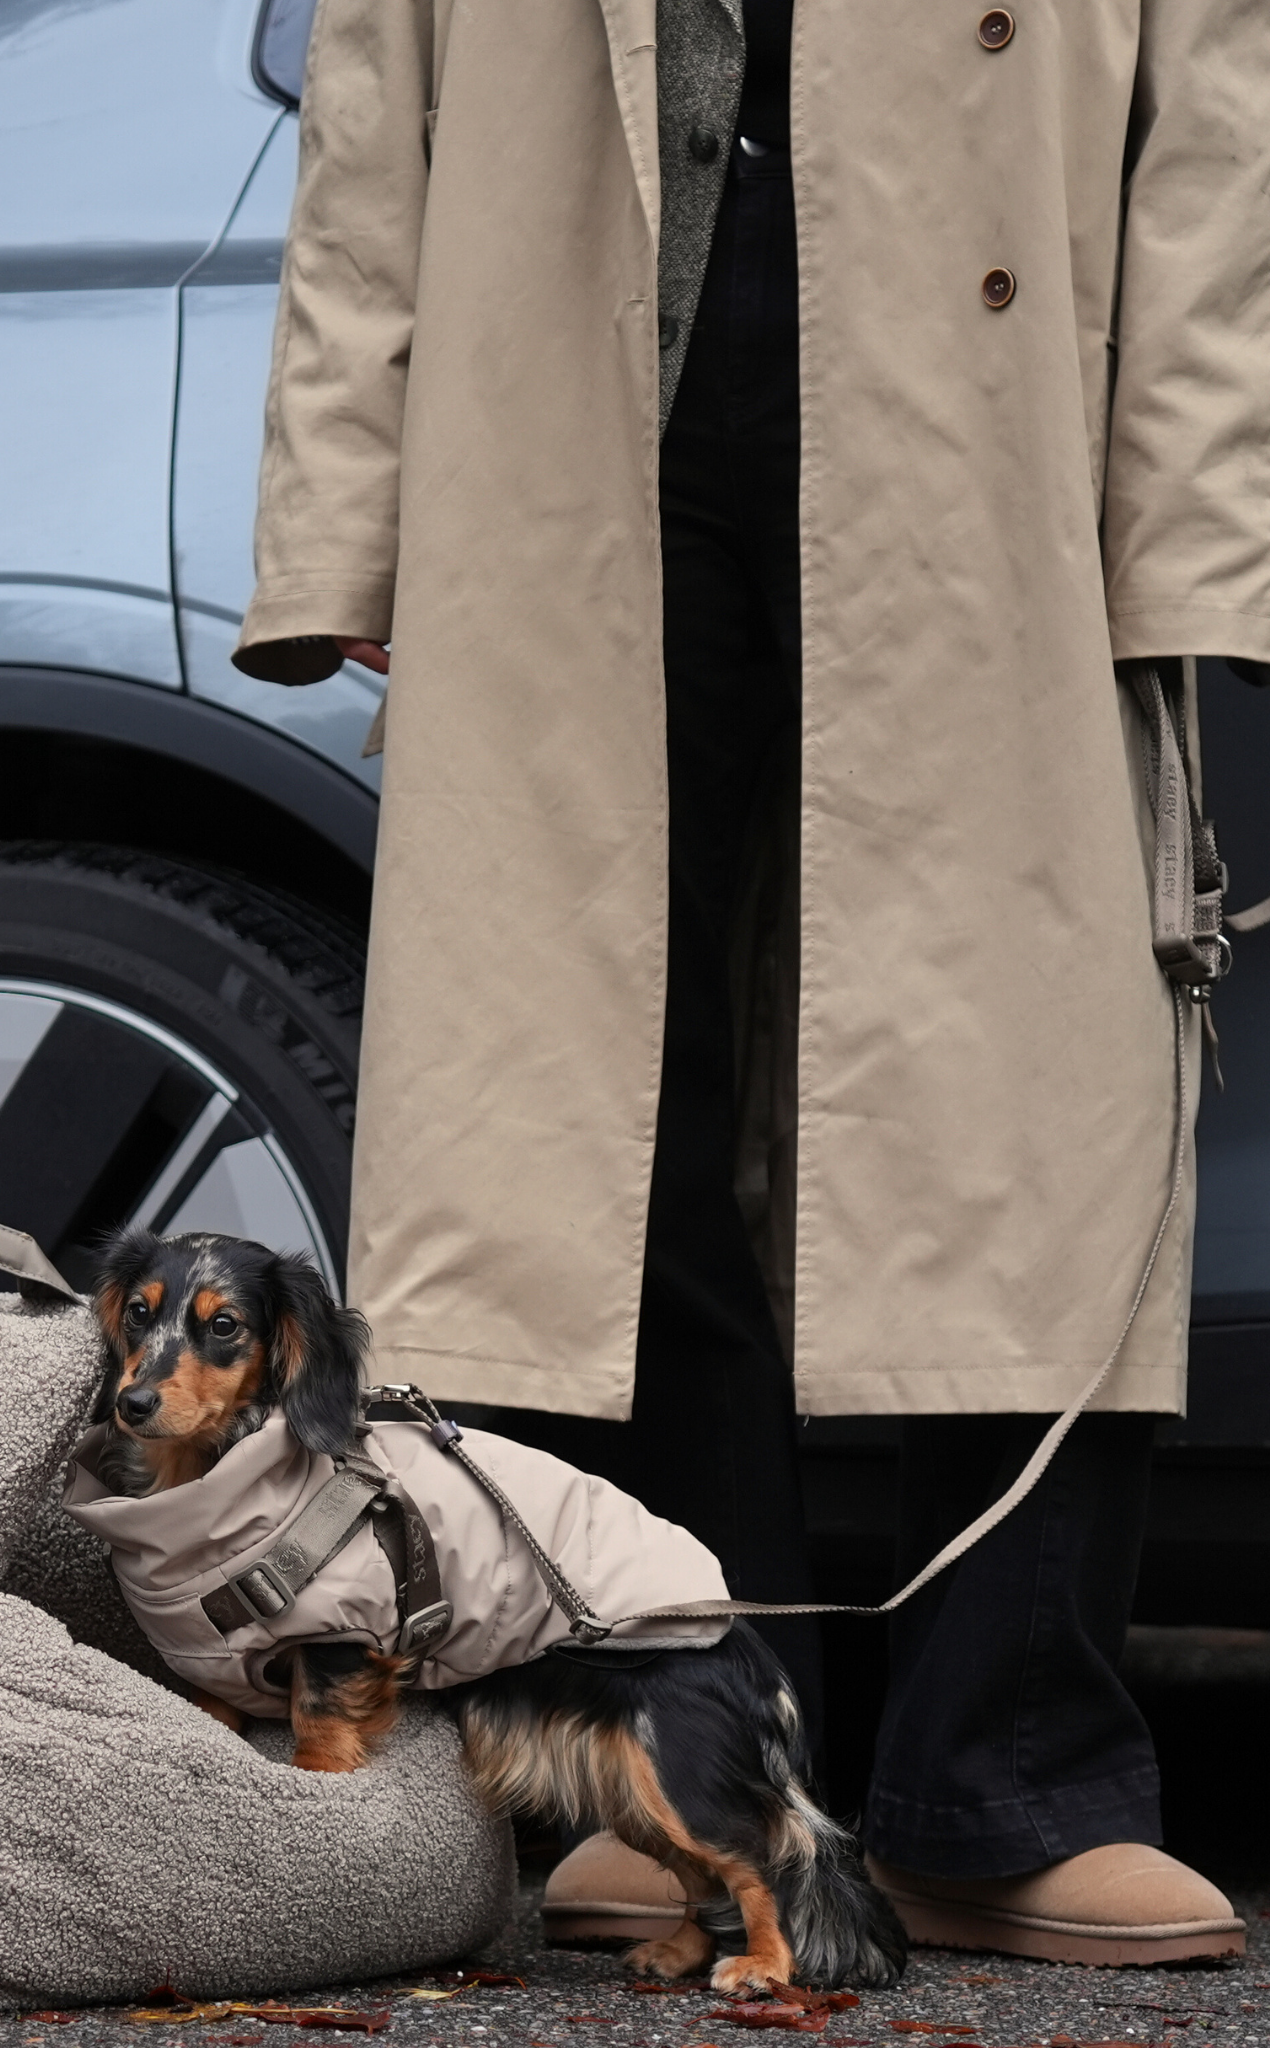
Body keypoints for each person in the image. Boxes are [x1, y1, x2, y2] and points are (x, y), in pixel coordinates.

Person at [231, 0, 1268, 1965]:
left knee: (1033, 1084)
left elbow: (1218, 109)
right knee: (613, 1098)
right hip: (581, 379)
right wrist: (345, 515)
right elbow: (372, 99)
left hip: (1001, 393)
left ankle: (1011, 1783)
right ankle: (692, 1760)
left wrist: (1202, 538)